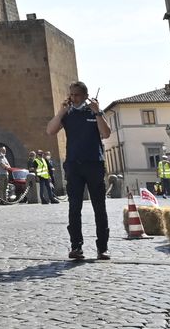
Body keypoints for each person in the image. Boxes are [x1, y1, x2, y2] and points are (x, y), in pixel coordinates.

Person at [46, 81, 112, 261]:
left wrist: (97, 112)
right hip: (74, 165)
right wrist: (61, 111)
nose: (73, 98)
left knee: (99, 207)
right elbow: (50, 130)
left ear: (85, 95)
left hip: (94, 164)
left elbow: (106, 133)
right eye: (71, 95)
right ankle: (76, 246)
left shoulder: (94, 112)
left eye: (76, 95)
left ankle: (103, 248)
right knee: (74, 207)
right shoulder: (67, 114)